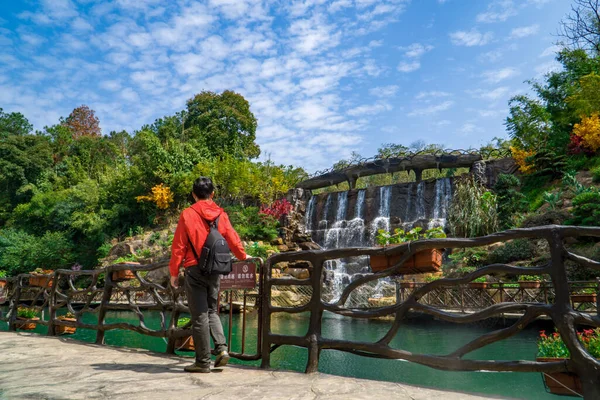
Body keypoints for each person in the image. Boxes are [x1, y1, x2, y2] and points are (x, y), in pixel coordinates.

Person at [169, 177, 248, 373]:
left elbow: (178, 246)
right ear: (212, 194)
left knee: (199, 316)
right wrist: (243, 256)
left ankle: (203, 362)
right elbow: (232, 238)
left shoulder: (187, 214)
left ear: (194, 194)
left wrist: (173, 273)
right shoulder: (221, 214)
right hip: (215, 269)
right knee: (212, 311)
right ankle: (221, 349)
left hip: (194, 269)